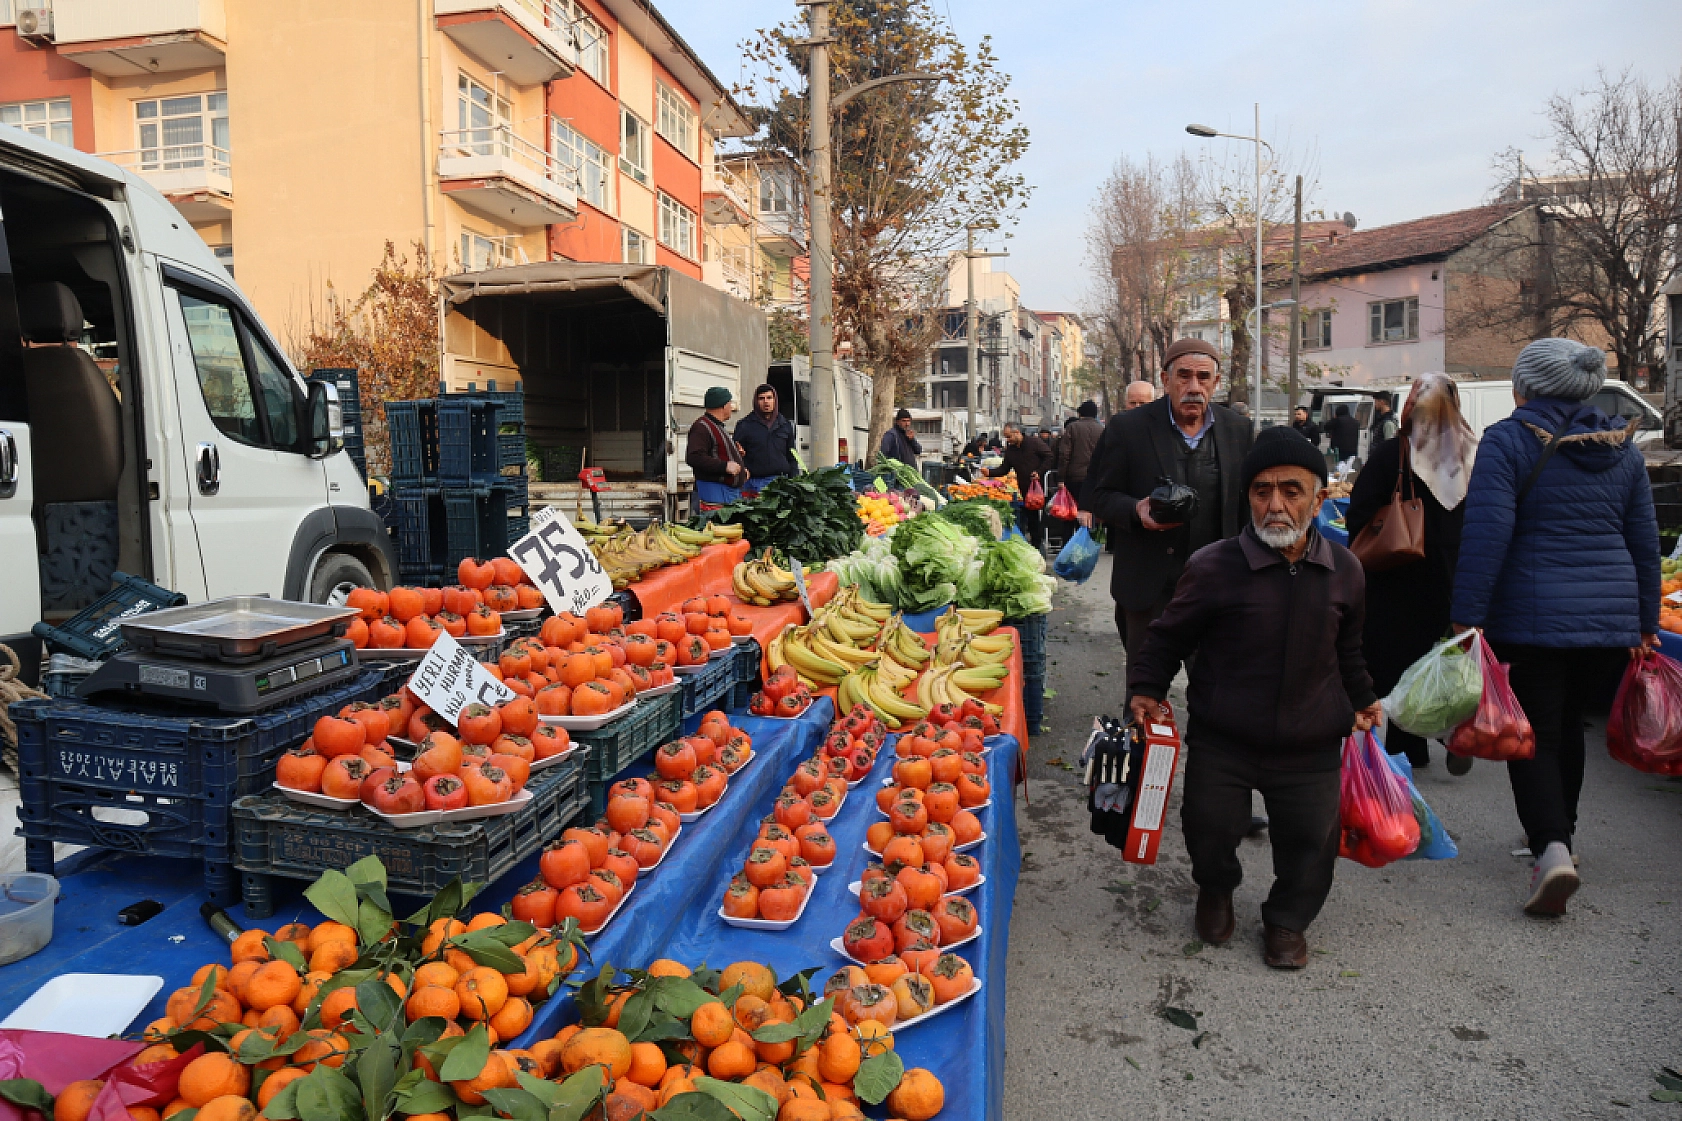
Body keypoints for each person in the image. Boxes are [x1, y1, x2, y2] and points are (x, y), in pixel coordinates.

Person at [1128, 426, 1382, 968]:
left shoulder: (1346, 571)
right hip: (1226, 738)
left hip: (1311, 741)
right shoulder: (1213, 566)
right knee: (1209, 830)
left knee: (1311, 845)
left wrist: (1363, 697)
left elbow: (1351, 650)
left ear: (1319, 497)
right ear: (1247, 497)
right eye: (1262, 491)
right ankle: (1216, 891)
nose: (1275, 505)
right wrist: (1146, 687)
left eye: (1292, 491)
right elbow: (1168, 635)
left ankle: (1287, 921)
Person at [1449, 338, 1659, 917]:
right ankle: (1560, 832)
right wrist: (1644, 623)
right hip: (1608, 619)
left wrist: (1467, 616)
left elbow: (1486, 535)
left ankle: (1551, 849)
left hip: (1532, 614)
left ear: (1526, 388)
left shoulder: (1509, 441)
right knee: (1567, 726)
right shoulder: (1624, 449)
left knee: (1532, 734)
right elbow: (1644, 545)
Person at [1083, 338, 1253, 660]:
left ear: (1216, 383)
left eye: (1203, 378)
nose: (1193, 386)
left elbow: (1245, 507)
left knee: (1216, 692)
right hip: (1149, 589)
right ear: (1165, 380)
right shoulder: (1128, 427)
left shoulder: (1238, 430)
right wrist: (1135, 509)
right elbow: (1100, 496)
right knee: (1146, 694)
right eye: (1183, 376)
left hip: (1215, 588)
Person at [1345, 374, 1476, 769]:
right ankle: (1454, 731)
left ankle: (1408, 745)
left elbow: (1359, 515)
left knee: (1401, 662)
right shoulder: (1475, 454)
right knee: (1449, 658)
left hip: (1397, 575)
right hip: (1455, 574)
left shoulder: (1393, 454)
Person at [990, 422, 1053, 547]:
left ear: (1017, 432)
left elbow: (1049, 457)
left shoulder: (1034, 443)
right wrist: (989, 472)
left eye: (1009, 436)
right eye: (1006, 437)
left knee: (1044, 516)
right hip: (1026, 489)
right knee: (1032, 518)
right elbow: (1004, 469)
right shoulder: (1011, 451)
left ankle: (1042, 542)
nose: (1008, 440)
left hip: (1041, 488)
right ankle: (1035, 545)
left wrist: (1039, 472)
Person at [686, 386, 748, 511]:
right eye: (730, 403)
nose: (731, 407)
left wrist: (737, 457)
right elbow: (694, 457)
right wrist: (725, 466)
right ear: (724, 405)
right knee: (716, 528)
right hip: (714, 493)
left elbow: (715, 453)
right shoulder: (702, 427)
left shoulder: (716, 425)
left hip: (727, 494)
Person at [733, 382, 798, 495]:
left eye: (769, 398)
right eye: (761, 398)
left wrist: (795, 480)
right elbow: (735, 454)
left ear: (775, 400)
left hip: (780, 483)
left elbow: (792, 455)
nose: (766, 402)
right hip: (753, 483)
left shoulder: (785, 425)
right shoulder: (744, 425)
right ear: (756, 401)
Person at [1053, 400, 1103, 529]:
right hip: (1095, 479)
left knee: (1070, 512)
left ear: (1080, 413)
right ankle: (1088, 543)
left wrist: (1061, 478)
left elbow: (1064, 455)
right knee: (1091, 513)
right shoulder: (1102, 430)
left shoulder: (1072, 428)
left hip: (1074, 478)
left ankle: (1069, 544)